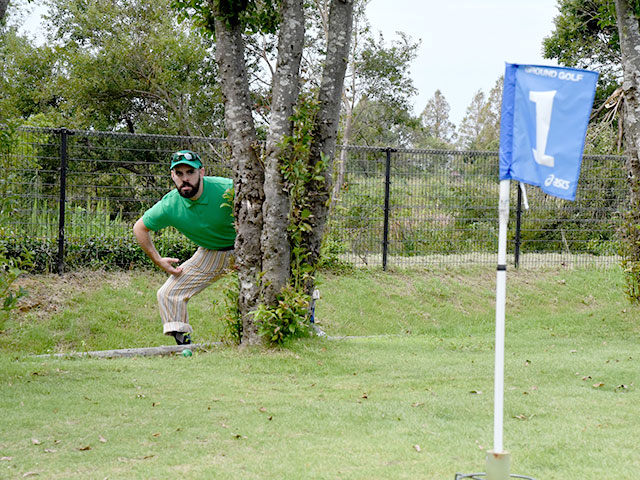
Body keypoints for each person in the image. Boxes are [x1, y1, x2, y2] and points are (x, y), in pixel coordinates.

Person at [133, 150, 235, 345]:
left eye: (190, 172)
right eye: (179, 174)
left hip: (248, 249)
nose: (185, 179)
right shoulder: (170, 204)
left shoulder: (227, 188)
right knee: (168, 294)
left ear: (202, 172)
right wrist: (158, 260)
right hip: (210, 253)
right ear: (173, 176)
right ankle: (184, 345)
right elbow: (139, 228)